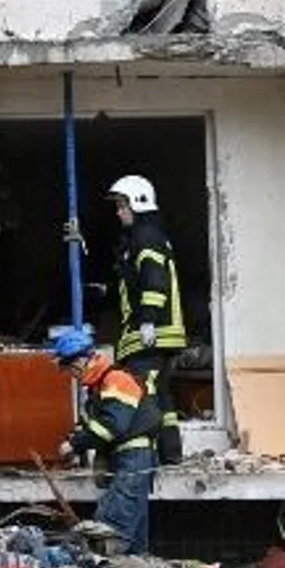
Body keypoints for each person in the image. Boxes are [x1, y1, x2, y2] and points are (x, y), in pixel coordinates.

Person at [52, 327, 160, 555]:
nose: (71, 375)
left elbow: (112, 426)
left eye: (70, 368)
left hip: (133, 460)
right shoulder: (100, 387)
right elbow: (95, 426)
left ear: (82, 360)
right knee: (133, 539)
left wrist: (74, 445)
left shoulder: (116, 379)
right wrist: (76, 441)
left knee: (110, 531)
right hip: (131, 459)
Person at [107, 175, 186, 465]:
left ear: (138, 203)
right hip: (155, 335)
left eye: (122, 205)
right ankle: (171, 453)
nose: (118, 212)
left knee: (141, 393)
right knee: (162, 397)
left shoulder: (146, 237)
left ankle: (144, 457)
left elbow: (154, 279)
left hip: (153, 334)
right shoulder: (144, 236)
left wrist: (148, 320)